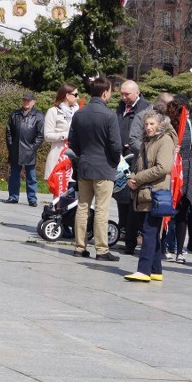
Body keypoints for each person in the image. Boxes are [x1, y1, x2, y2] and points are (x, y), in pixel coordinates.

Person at [67, 77, 121, 261]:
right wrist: (114, 162)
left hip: (85, 165)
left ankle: (79, 246)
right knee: (101, 209)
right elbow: (115, 145)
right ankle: (101, 249)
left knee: (83, 206)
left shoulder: (80, 114)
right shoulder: (109, 115)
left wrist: (83, 155)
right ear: (105, 92)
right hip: (104, 167)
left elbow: (73, 142)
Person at [123, 110, 176, 282]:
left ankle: (143, 270)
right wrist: (132, 177)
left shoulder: (165, 140)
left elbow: (163, 167)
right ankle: (155, 269)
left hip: (155, 192)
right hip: (145, 191)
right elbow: (139, 165)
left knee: (149, 231)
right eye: (146, 124)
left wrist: (137, 179)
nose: (148, 127)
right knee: (151, 231)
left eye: (152, 124)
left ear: (160, 124)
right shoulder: (147, 141)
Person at [165, 97, 192, 263]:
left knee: (183, 212)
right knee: (166, 210)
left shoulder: (189, 124)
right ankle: (165, 247)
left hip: (185, 170)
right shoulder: (167, 124)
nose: (186, 113)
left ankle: (180, 250)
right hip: (169, 170)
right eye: (184, 110)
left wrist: (191, 158)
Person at [115, 80, 149, 252]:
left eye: (126, 94)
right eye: (122, 94)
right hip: (121, 157)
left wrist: (135, 144)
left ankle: (135, 233)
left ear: (137, 92)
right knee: (121, 194)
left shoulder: (145, 109)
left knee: (132, 197)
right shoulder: (121, 107)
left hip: (136, 158)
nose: (123, 97)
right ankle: (123, 228)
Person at [5, 93, 44, 206]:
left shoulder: (38, 115)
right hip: (16, 149)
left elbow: (40, 135)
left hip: (29, 150)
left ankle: (32, 198)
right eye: (25, 100)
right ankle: (13, 196)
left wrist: (33, 148)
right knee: (14, 175)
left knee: (31, 176)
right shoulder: (14, 114)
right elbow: (8, 132)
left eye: (29, 100)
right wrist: (11, 145)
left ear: (33, 102)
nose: (26, 102)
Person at [43, 83, 79, 180]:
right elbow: (47, 136)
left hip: (74, 157)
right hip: (59, 155)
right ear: (67, 95)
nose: (78, 97)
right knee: (59, 191)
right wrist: (66, 135)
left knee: (74, 191)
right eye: (75, 95)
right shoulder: (53, 111)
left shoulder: (79, 112)